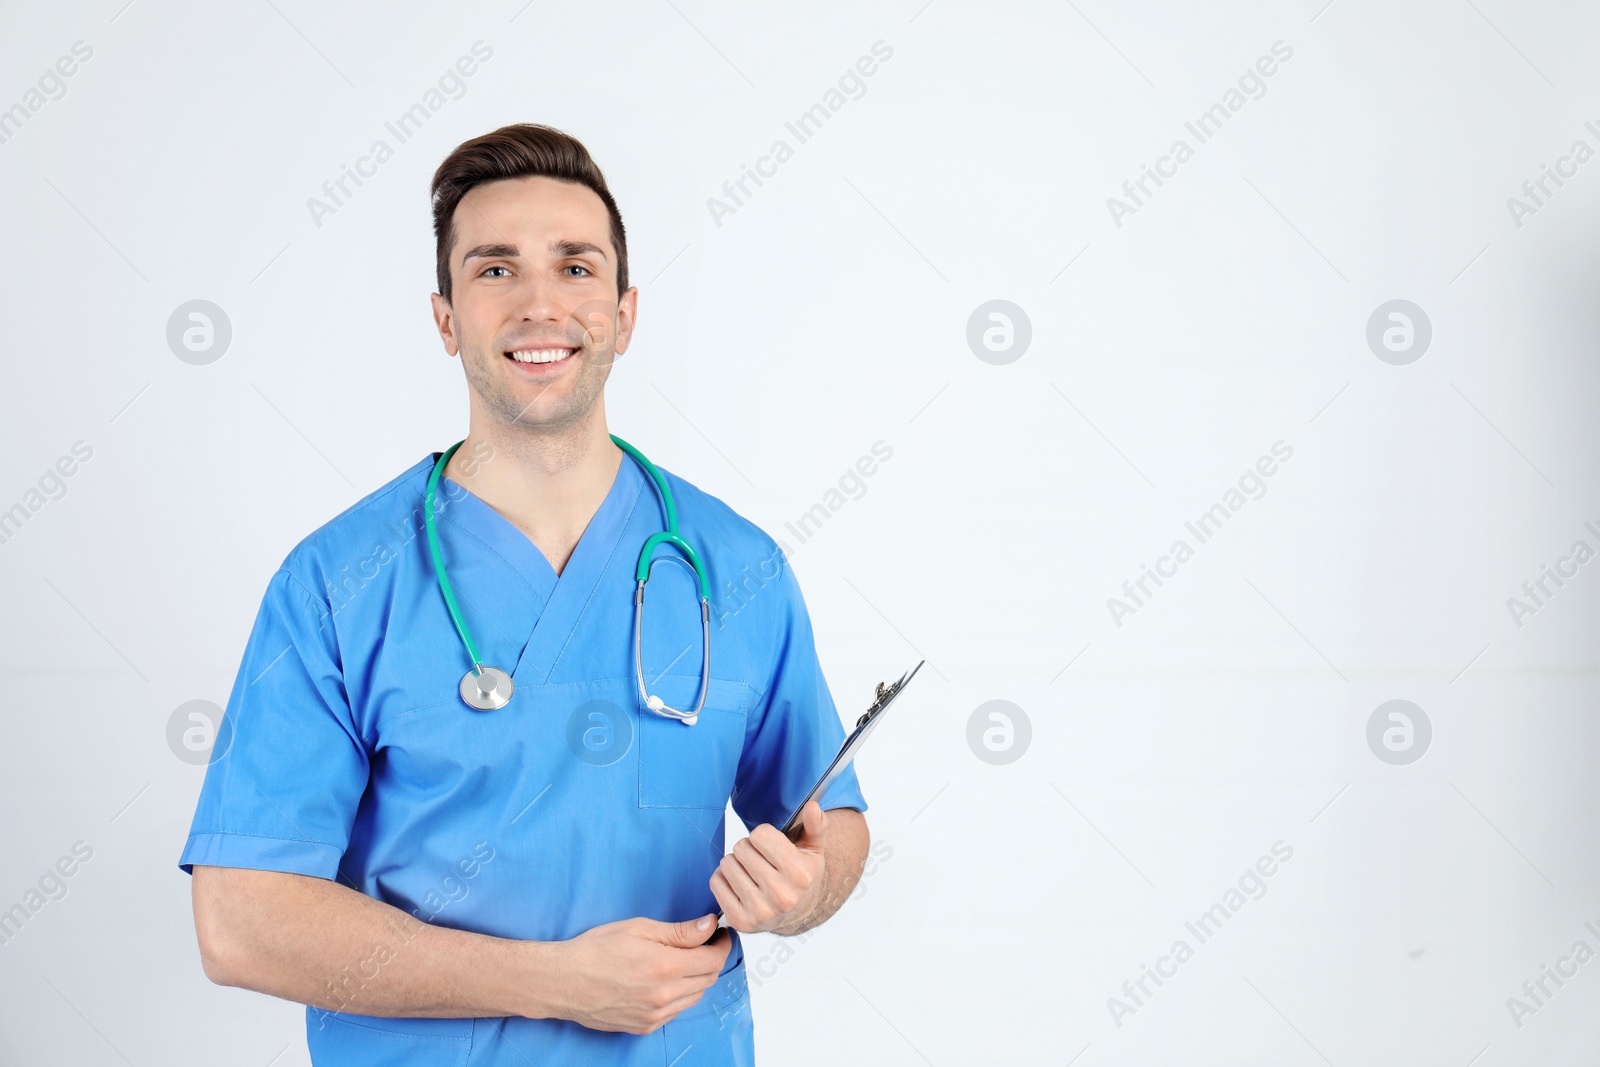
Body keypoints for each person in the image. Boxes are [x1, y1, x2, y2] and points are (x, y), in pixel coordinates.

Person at [180, 122, 871, 1066]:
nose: (540, 304)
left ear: (625, 315)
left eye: (576, 267)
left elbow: (833, 829)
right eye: (495, 270)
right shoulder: (338, 583)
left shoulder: (735, 565)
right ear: (446, 317)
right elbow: (240, 920)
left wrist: (804, 890)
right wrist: (557, 981)